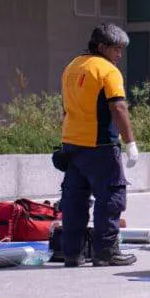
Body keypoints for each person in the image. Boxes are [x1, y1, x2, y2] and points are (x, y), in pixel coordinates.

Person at [59, 23, 139, 266]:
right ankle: (106, 251)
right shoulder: (108, 70)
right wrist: (130, 142)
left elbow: (66, 106)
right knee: (111, 198)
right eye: (116, 49)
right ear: (102, 47)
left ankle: (72, 252)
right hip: (101, 144)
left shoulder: (71, 66)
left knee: (74, 200)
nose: (119, 55)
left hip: (71, 144)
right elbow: (118, 106)